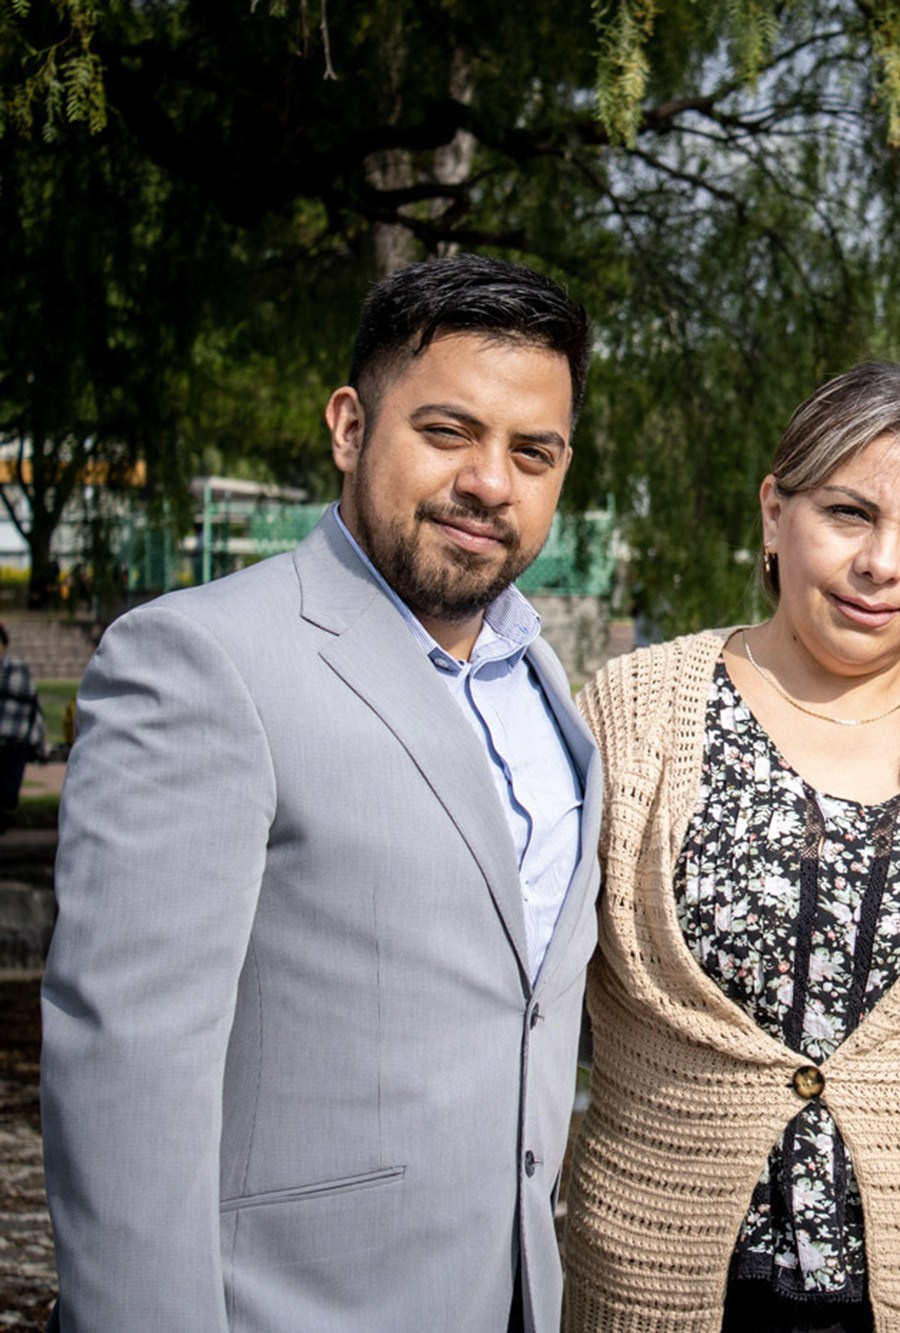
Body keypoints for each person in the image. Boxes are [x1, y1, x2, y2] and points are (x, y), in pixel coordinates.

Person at [40, 254, 602, 1331]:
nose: (491, 481)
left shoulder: (546, 686)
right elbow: (124, 1080)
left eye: (533, 451)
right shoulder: (199, 661)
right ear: (350, 428)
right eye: (447, 433)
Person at [561, 362, 900, 1332]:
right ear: (774, 512)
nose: (880, 564)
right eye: (847, 514)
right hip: (657, 1276)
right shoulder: (635, 709)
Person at [0, 623, 45, 825]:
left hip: (15, 742)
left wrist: (36, 740)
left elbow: (32, 704)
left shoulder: (19, 671)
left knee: (8, 795)